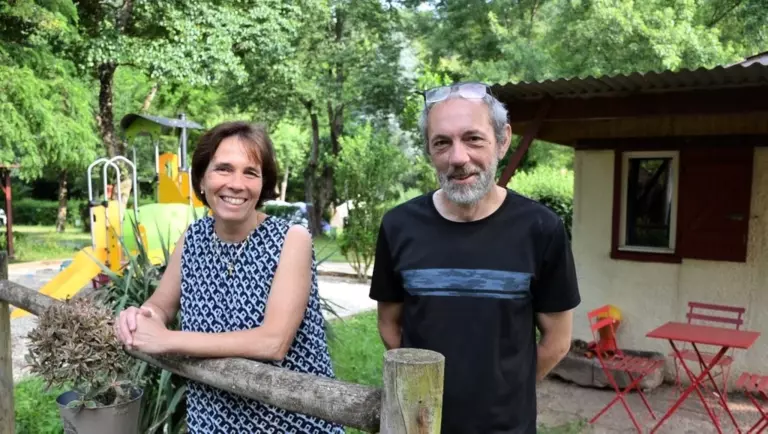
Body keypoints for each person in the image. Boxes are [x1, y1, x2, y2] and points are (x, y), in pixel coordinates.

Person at [369, 82, 580, 434]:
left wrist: (505, 395)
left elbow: (557, 341)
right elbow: (390, 325)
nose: (458, 158)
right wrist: (424, 391)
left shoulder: (542, 229)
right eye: (442, 142)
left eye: (473, 139)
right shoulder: (398, 226)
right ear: (429, 150)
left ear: (503, 140)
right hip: (420, 426)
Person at [115, 121, 344, 434]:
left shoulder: (291, 240)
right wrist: (140, 317)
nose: (236, 184)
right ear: (202, 178)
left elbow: (273, 342)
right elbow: (159, 306)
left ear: (263, 184)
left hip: (290, 422)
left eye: (250, 172)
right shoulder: (192, 239)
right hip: (212, 420)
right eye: (223, 169)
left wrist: (167, 340)